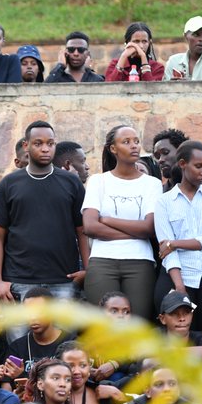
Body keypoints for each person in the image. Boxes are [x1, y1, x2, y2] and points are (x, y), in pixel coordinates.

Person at [0, 120, 89, 303]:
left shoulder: (71, 183)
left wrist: (88, 271)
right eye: (38, 143)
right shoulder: (9, 184)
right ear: (26, 145)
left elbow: (83, 231)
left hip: (64, 281)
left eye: (50, 144)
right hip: (18, 282)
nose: (45, 149)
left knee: (63, 333)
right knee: (20, 334)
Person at [82, 125, 162, 320]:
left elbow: (150, 228)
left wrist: (107, 220)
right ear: (113, 149)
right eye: (126, 142)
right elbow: (90, 227)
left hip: (140, 262)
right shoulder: (97, 181)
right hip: (102, 261)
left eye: (136, 141)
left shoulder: (152, 183)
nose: (134, 146)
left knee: (137, 325)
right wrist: (137, 232)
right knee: (102, 326)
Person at [155, 140, 202, 330]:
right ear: (182, 164)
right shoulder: (164, 202)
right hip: (179, 275)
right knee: (181, 335)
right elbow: (166, 250)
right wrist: (180, 287)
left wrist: (175, 243)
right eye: (198, 166)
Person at [163, 15, 202, 80]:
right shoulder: (174, 62)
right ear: (185, 36)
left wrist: (184, 85)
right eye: (196, 35)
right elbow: (165, 88)